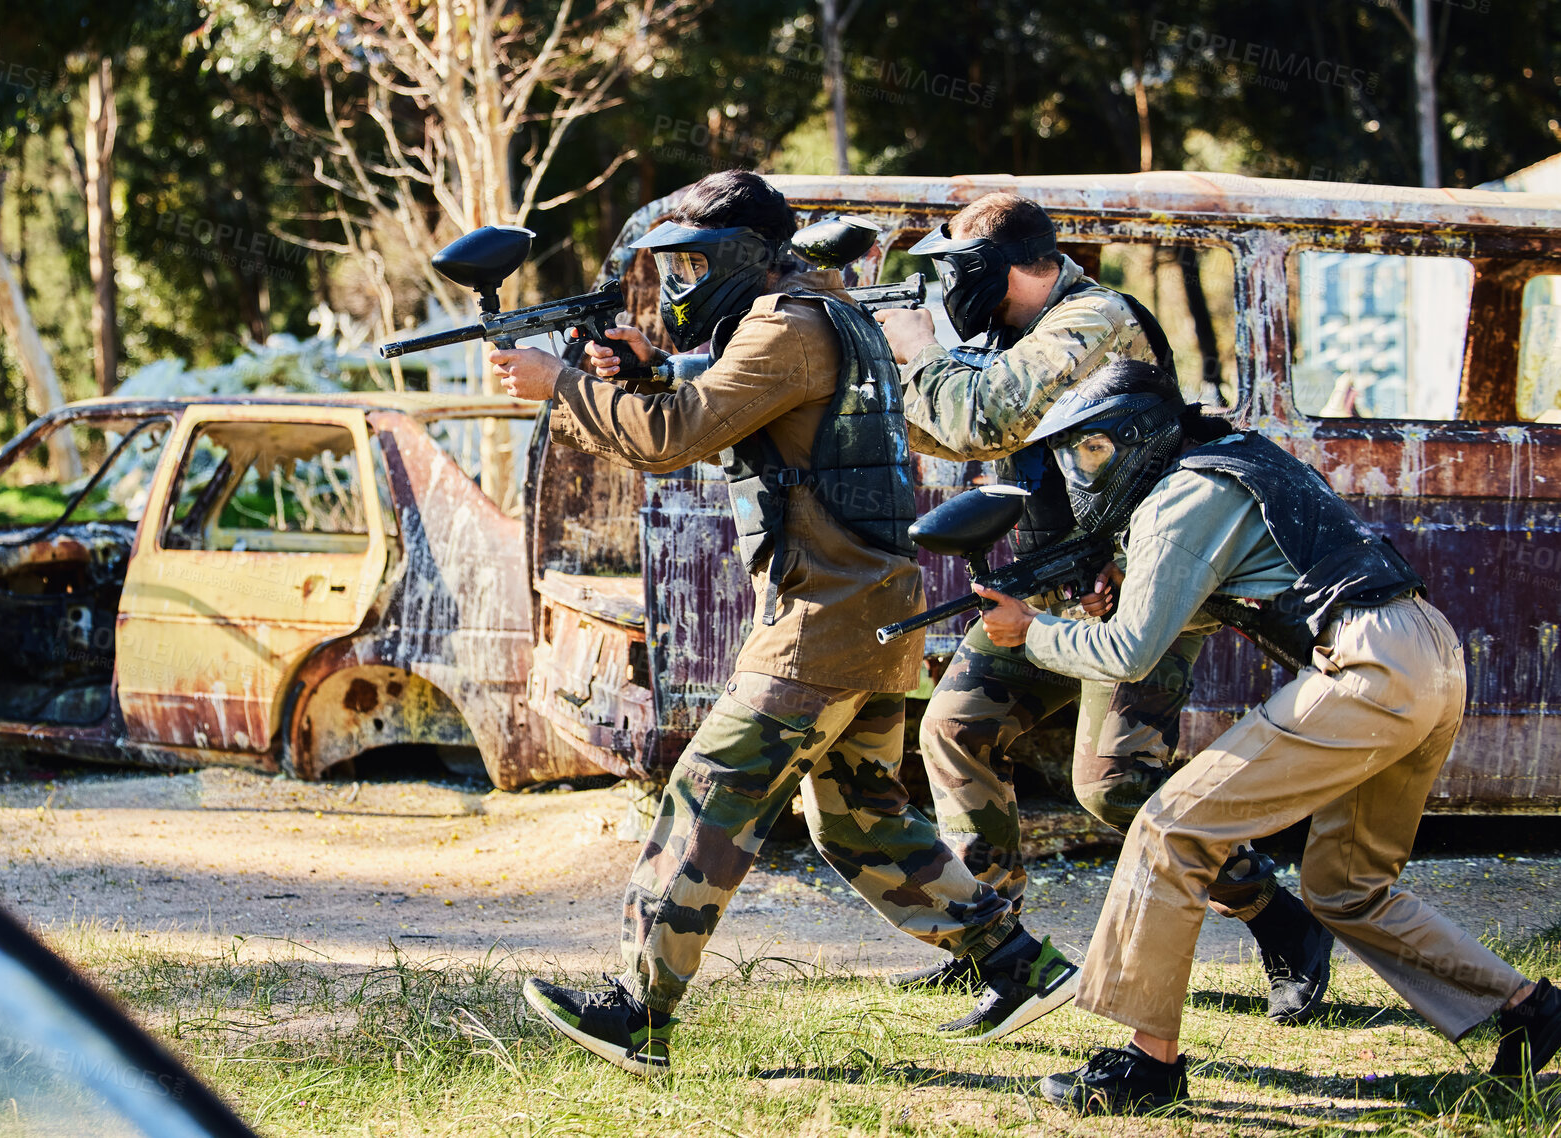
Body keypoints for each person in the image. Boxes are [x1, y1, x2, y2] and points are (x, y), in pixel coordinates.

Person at [489, 170, 1076, 1076]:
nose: (683, 285)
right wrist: (638, 371)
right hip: (869, 610)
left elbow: (673, 436)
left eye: (694, 265)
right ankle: (1018, 965)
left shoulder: (784, 324)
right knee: (860, 820)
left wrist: (561, 382)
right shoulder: (827, 311)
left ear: (745, 257)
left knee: (707, 796)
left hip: (823, 621)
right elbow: (720, 405)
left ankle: (639, 1013)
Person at [965, 359, 1561, 1113]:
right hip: (1428, 652)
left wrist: (1031, 633)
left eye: (1091, 451)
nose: (1083, 471)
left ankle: (1145, 1067)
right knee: (1345, 889)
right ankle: (1527, 1008)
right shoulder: (1235, 463)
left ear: (1136, 438)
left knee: (1169, 829)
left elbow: (1128, 656)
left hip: (1368, 665)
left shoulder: (1180, 496)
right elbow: (1239, 597)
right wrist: (1109, 601)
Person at [876, 193, 1331, 1030]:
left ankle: (1281, 921)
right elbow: (949, 432)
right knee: (957, 726)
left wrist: (917, 351)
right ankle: (996, 949)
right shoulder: (1009, 334)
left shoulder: (1091, 318)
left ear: (1010, 269)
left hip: (1145, 577)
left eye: (959, 274)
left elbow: (983, 416)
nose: (949, 293)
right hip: (1058, 576)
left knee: (1116, 786)